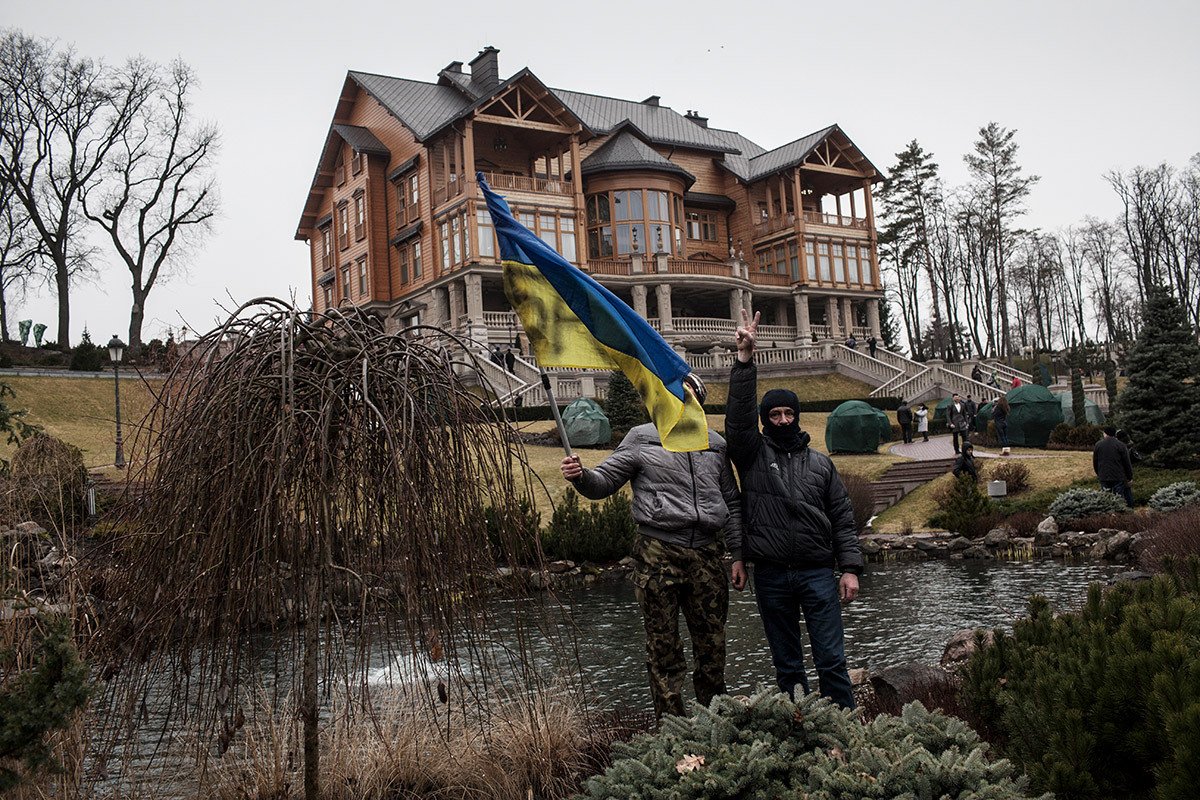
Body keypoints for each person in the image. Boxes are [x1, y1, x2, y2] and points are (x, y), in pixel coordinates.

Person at [561, 387, 745, 719]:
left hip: (707, 554)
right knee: (664, 649)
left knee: (713, 647)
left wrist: (739, 553)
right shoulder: (642, 439)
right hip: (658, 555)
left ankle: (716, 723)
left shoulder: (715, 443)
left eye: (692, 398)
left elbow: (732, 500)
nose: (684, 404)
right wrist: (582, 476)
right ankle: (672, 731)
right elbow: (603, 481)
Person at [725, 309, 862, 710]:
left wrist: (850, 567)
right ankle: (798, 727)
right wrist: (744, 362)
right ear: (766, 420)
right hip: (770, 574)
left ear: (797, 417)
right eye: (775, 415)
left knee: (832, 660)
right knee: (787, 665)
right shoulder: (750, 455)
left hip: (817, 572)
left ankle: (844, 729)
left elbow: (842, 518)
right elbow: (736, 423)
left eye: (788, 413)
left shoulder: (820, 464)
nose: (783, 419)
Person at [1093, 425, 1134, 507]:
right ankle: (1119, 513)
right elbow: (1126, 462)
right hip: (1118, 476)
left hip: (1104, 476)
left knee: (1105, 497)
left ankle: (1108, 514)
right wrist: (1129, 477)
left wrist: (1099, 473)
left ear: (1105, 434)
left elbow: (1095, 461)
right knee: (1118, 497)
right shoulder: (1121, 445)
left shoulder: (1098, 445)